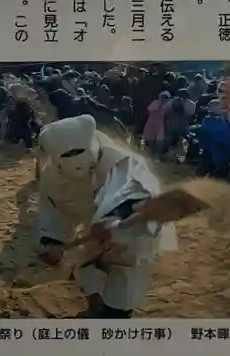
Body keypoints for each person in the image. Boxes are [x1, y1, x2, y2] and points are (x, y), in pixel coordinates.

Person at [35, 115, 177, 317]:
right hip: (93, 230)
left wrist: (115, 217)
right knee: (84, 263)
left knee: (126, 266)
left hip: (131, 229)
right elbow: (53, 211)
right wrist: (53, 241)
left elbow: (139, 191)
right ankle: (97, 303)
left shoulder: (125, 161)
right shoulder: (52, 178)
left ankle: (117, 313)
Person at [142, 91, 171, 155]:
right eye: (163, 97)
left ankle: (158, 154)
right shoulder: (155, 102)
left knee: (159, 140)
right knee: (150, 139)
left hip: (160, 124)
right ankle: (150, 153)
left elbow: (167, 116)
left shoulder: (168, 106)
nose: (164, 98)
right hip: (151, 122)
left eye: (166, 97)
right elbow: (149, 110)